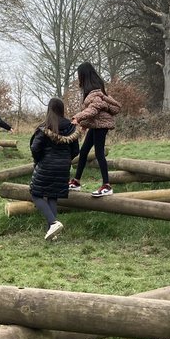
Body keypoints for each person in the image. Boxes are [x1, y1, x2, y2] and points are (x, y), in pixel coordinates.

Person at [29, 97, 81, 240]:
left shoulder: (45, 127)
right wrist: (65, 160)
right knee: (53, 196)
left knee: (36, 194)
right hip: (63, 167)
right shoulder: (71, 128)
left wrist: (39, 160)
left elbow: (35, 148)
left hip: (46, 165)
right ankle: (52, 233)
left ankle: (53, 222)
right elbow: (76, 150)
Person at [69, 62, 121, 197]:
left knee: (99, 153)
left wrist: (78, 118)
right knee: (84, 151)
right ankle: (76, 182)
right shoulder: (94, 91)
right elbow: (95, 114)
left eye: (79, 76)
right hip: (96, 125)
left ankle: (107, 185)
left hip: (101, 126)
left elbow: (93, 110)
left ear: (84, 76)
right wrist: (85, 124)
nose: (78, 79)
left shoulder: (95, 93)